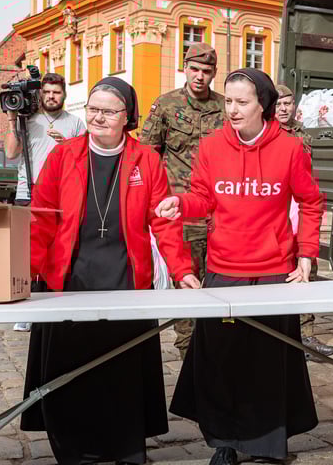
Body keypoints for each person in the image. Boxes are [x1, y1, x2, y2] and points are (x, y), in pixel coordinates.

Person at [21, 76, 197, 465]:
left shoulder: (146, 159)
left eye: (107, 111)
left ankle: (126, 447)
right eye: (93, 109)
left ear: (126, 117)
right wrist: (24, 272)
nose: (97, 117)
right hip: (71, 276)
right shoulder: (63, 155)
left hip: (125, 277)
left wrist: (182, 269)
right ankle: (74, 447)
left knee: (122, 367)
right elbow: (41, 220)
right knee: (73, 367)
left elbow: (164, 220)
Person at [156, 68, 324, 465]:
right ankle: (224, 442)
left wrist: (306, 256)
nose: (232, 109)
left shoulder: (290, 148)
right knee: (222, 361)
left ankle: (268, 442)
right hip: (224, 270)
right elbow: (203, 198)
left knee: (268, 361)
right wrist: (180, 204)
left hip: (273, 272)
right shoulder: (212, 146)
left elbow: (311, 201)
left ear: (262, 105)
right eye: (228, 101)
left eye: (242, 102)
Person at [140, 42, 223, 359]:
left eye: (206, 70)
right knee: (186, 280)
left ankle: (214, 343)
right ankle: (189, 350)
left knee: (216, 282)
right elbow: (147, 154)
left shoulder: (225, 107)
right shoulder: (165, 104)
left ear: (213, 73)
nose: (200, 76)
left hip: (217, 214)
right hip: (180, 210)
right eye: (194, 69)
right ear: (184, 67)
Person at [4, 71, 85, 332]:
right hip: (29, 190)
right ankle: (26, 309)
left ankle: (55, 301)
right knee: (27, 252)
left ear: (64, 95)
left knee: (57, 250)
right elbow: (10, 152)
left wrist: (69, 145)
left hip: (62, 194)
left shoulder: (74, 123)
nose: (51, 96)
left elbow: (85, 158)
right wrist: (12, 121)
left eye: (56, 92)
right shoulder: (29, 120)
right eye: (47, 92)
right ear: (41, 93)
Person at [274, 84, 333, 360]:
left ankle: (306, 336)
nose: (284, 109)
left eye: (288, 103)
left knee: (307, 271)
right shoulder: (265, 133)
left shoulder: (303, 133)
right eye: (278, 104)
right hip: (276, 211)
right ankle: (280, 335)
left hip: (300, 209)